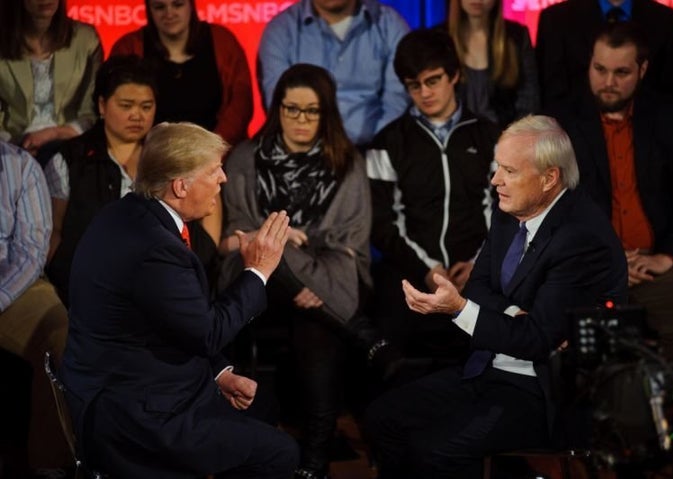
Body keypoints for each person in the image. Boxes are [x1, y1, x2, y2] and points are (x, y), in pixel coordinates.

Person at [363, 115, 628, 478]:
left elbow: (535, 341)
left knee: (434, 451)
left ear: (550, 178)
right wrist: (513, 312)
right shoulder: (511, 211)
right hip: (488, 367)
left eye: (509, 170)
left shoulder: (581, 238)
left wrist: (459, 310)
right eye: (497, 167)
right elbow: (478, 286)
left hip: (542, 393)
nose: (495, 180)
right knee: (383, 419)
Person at [59, 122, 299, 478]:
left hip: (129, 385)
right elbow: (207, 332)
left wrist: (218, 372)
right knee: (281, 453)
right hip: (139, 416)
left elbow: (172, 320)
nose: (223, 178)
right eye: (213, 170)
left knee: (264, 406)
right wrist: (258, 271)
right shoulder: (155, 248)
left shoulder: (125, 213)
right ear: (180, 185)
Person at [219, 64, 372, 479]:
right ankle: (356, 328)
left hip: (326, 281)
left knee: (316, 331)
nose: (301, 120)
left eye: (312, 111)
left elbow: (351, 240)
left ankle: (314, 462)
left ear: (327, 114)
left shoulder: (348, 160)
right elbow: (231, 235)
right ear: (277, 109)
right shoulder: (247, 158)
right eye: (292, 110)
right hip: (256, 281)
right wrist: (282, 241)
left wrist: (307, 265)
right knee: (275, 245)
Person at [545, 22, 673, 372]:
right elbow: (550, 210)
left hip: (655, 265)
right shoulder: (558, 121)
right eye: (600, 70)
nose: (608, 82)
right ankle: (616, 412)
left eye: (621, 72)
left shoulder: (671, 116)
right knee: (553, 338)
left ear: (643, 70)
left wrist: (668, 257)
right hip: (588, 267)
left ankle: (655, 399)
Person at [365, 29, 499, 372]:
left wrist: (477, 265)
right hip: (410, 273)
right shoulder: (388, 142)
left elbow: (506, 212)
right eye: (414, 85)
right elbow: (382, 224)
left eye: (433, 80)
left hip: (480, 270)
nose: (424, 93)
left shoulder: (490, 136)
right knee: (388, 349)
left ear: (454, 75)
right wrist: (427, 271)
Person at [43, 55, 158, 306]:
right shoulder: (70, 159)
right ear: (103, 106)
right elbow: (53, 231)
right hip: (84, 287)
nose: (137, 115)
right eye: (126, 106)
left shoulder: (165, 158)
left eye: (146, 107)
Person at [0, 141, 69, 477]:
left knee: (59, 332)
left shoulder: (22, 167)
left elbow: (30, 251)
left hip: (12, 286)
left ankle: (51, 464)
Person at [257, 0, 411, 147]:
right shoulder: (281, 30)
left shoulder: (390, 25)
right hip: (306, 149)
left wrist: (381, 143)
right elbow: (278, 103)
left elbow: (397, 100)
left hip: (376, 148)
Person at [110, 0, 253, 146]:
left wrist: (212, 148)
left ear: (191, 5)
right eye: (160, 7)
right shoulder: (129, 48)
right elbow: (117, 108)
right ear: (149, 9)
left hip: (217, 152)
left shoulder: (222, 41)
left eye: (177, 5)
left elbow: (241, 104)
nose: (169, 13)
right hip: (149, 156)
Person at [0, 0, 102, 163]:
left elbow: (91, 111)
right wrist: (16, 143)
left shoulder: (85, 39)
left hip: (71, 141)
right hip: (11, 145)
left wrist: (55, 133)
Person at [535, 0, 673, 107]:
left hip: (652, 138)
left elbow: (671, 93)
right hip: (572, 138)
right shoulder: (555, 20)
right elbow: (552, 93)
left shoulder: (667, 20)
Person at [445, 0, 540, 128]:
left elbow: (529, 99)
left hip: (506, 137)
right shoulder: (440, 39)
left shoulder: (516, 36)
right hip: (455, 137)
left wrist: (511, 139)